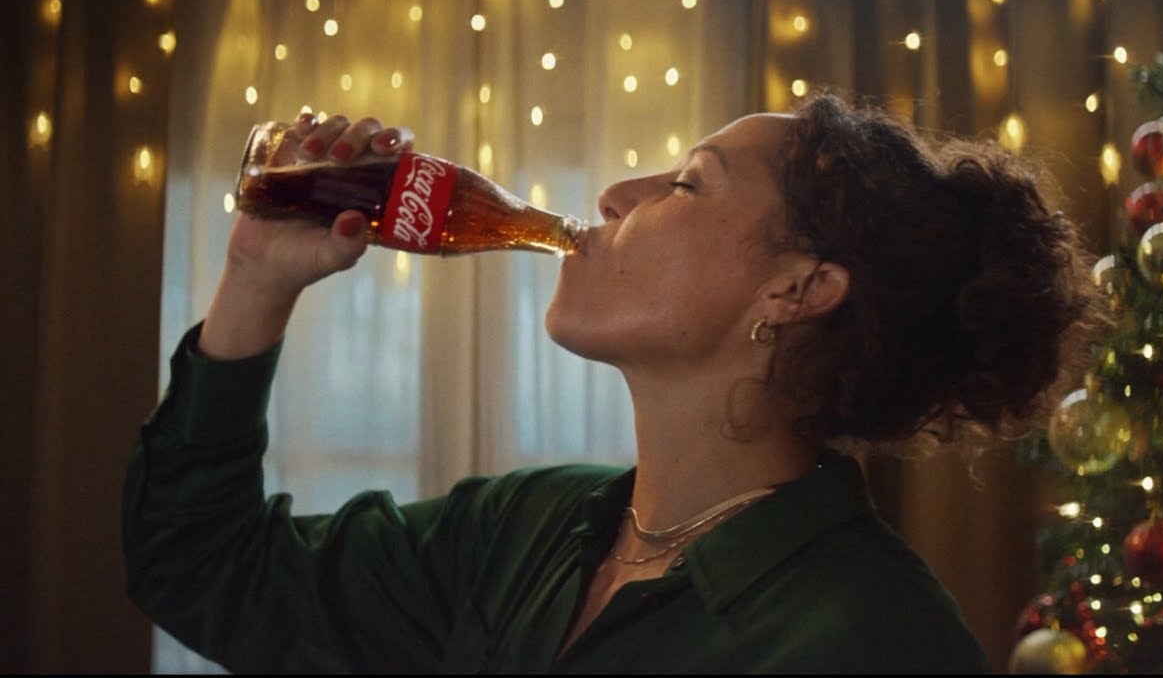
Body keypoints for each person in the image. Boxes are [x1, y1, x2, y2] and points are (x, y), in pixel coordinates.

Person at [123, 92, 1108, 673]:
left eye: (687, 183)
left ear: (798, 289)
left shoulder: (867, 637)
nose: (612, 196)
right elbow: (206, 572)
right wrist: (256, 278)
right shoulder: (517, 531)